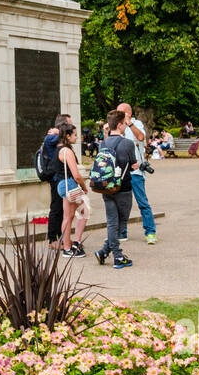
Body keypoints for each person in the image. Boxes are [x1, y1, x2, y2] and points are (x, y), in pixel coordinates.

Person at [93, 110, 137, 270]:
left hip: (106, 187)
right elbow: (132, 164)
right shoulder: (127, 143)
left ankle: (104, 252)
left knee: (112, 222)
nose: (125, 126)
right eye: (124, 123)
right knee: (120, 223)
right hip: (123, 187)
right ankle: (117, 256)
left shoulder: (103, 143)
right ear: (119, 124)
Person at [118, 101, 157, 245]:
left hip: (135, 171)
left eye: (120, 113)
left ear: (128, 113)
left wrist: (129, 123)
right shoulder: (116, 125)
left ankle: (150, 232)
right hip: (121, 171)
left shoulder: (136, 124)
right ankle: (122, 232)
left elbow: (141, 138)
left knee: (142, 202)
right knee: (121, 203)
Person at [54, 123, 89, 257]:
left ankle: (68, 245)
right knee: (84, 212)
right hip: (70, 184)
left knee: (68, 217)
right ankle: (73, 244)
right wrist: (84, 187)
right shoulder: (67, 151)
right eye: (74, 134)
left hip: (62, 185)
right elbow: (76, 175)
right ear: (68, 136)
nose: (77, 137)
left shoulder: (58, 149)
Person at [42, 114, 71, 250]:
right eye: (69, 125)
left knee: (62, 209)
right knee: (56, 208)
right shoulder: (51, 137)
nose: (71, 128)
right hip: (55, 178)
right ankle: (52, 239)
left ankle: (62, 237)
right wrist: (59, 132)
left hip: (61, 178)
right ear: (63, 126)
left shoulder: (57, 135)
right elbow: (64, 137)